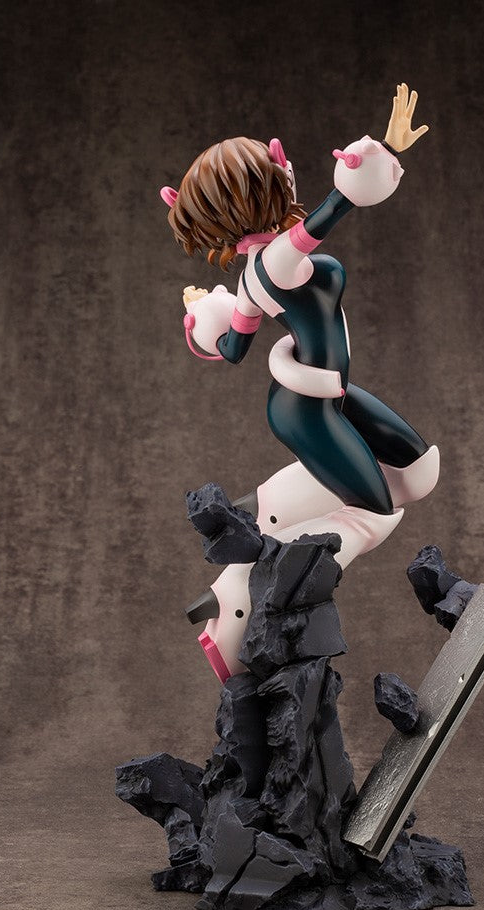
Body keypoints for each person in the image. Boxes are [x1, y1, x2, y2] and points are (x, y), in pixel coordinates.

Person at [161, 84, 441, 680]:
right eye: (275, 165)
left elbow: (232, 349)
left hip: (321, 396)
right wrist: (386, 149)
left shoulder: (252, 275)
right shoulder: (281, 258)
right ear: (259, 190)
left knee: (418, 471)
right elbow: (334, 208)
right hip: (305, 408)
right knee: (376, 513)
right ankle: (243, 591)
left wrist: (203, 318)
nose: (286, 164)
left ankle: (266, 510)